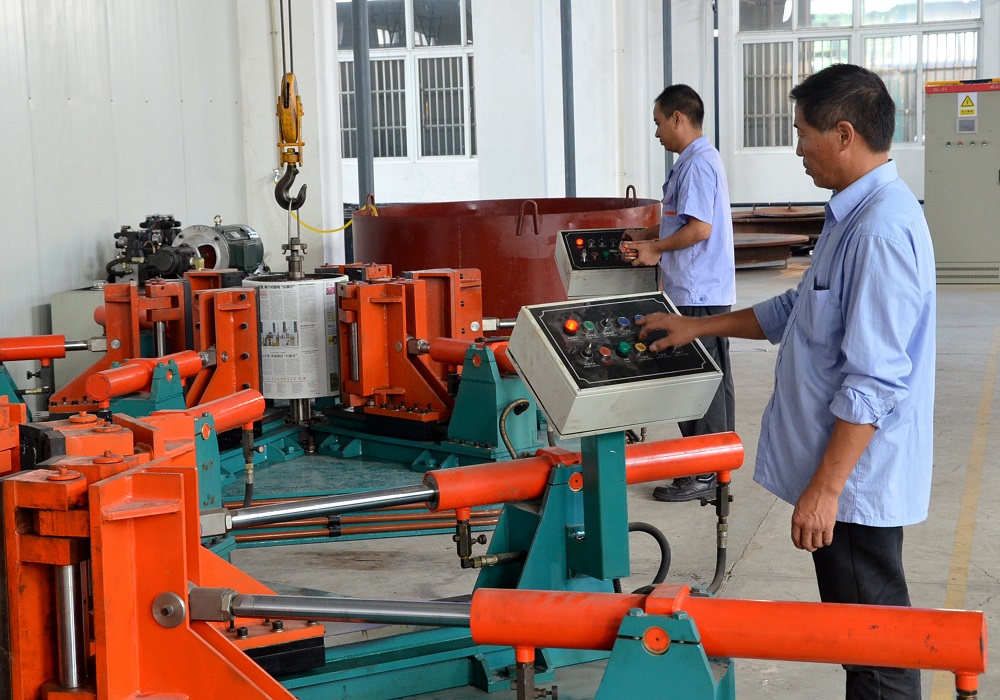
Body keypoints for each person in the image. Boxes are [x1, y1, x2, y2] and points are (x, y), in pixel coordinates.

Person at [636, 63, 935, 699]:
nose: (797, 149)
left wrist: (826, 490)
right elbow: (798, 309)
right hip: (843, 478)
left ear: (844, 134)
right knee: (860, 639)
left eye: (803, 133)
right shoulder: (850, 216)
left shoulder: (879, 230)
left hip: (853, 485)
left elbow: (876, 380)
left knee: (874, 649)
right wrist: (697, 328)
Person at [619, 84, 736, 503]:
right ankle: (716, 466)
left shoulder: (698, 164)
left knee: (696, 382)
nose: (656, 133)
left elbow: (699, 229)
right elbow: (681, 220)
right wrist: (645, 235)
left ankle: (704, 472)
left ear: (678, 118)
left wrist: (655, 249)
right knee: (710, 380)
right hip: (698, 289)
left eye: (658, 123)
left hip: (697, 292)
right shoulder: (694, 160)